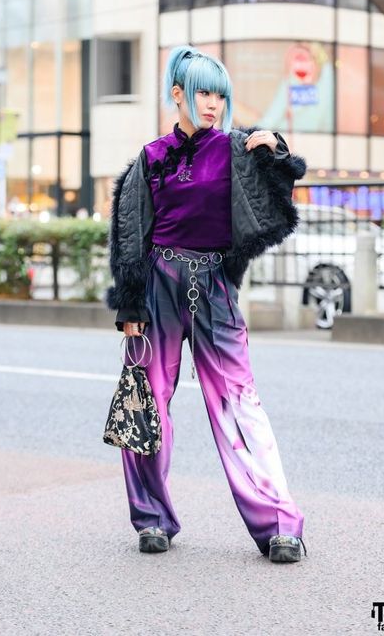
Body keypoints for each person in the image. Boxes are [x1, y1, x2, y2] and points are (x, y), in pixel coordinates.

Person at [106, 45, 307, 563]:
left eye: (221, 94)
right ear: (178, 94)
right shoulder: (151, 158)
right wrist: (130, 304)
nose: (214, 103)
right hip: (158, 287)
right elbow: (130, 233)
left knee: (239, 404)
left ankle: (279, 526)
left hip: (215, 286)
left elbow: (277, 200)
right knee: (147, 403)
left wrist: (277, 154)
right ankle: (152, 518)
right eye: (203, 93)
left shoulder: (238, 149)